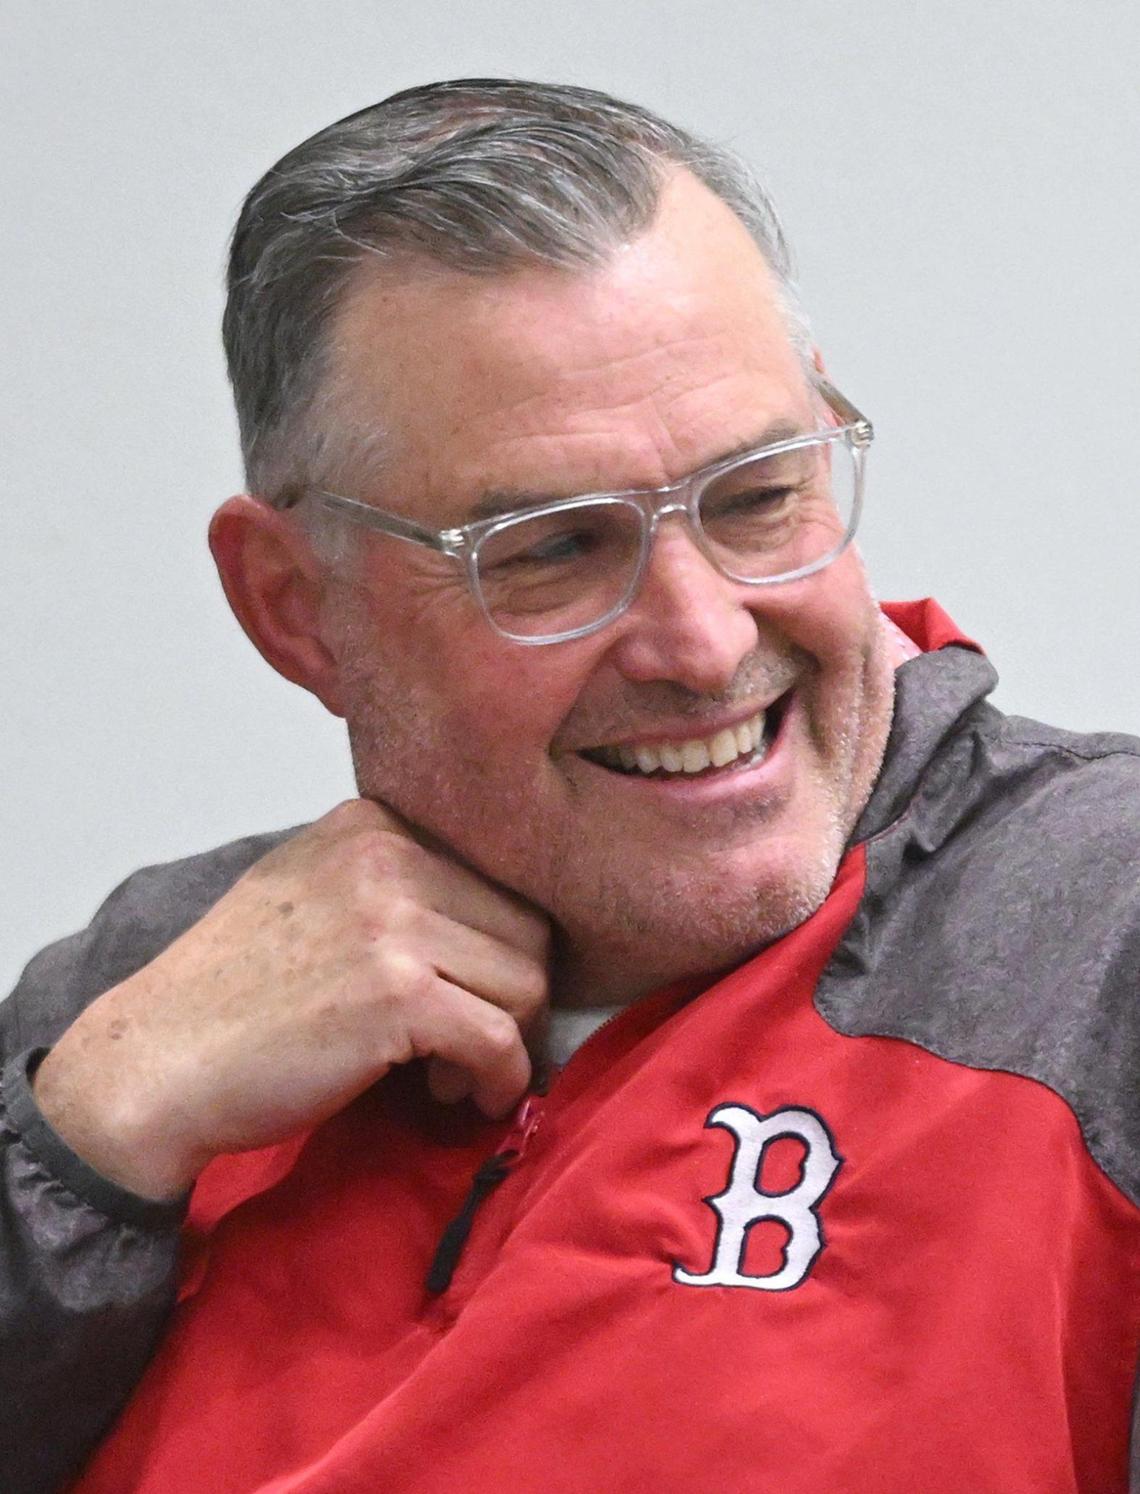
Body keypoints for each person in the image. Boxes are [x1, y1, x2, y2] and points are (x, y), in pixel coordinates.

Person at [1, 78, 1136, 1494]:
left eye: (760, 496)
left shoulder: (1103, 950)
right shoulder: (139, 1002)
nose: (706, 638)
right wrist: (87, 1137)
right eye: (552, 550)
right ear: (296, 607)